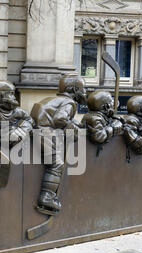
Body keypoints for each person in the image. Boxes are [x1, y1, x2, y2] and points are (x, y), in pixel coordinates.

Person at [30, 74, 86, 215]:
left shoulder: (54, 100)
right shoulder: (70, 103)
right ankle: (47, 196)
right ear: (74, 89)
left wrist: (76, 125)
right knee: (56, 164)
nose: (85, 92)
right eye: (83, 88)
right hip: (44, 132)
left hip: (39, 131)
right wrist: (76, 131)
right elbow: (60, 119)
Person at [81, 90, 124, 155]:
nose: (113, 104)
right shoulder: (95, 118)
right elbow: (99, 136)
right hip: (90, 156)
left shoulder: (101, 116)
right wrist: (112, 128)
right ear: (106, 106)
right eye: (111, 102)